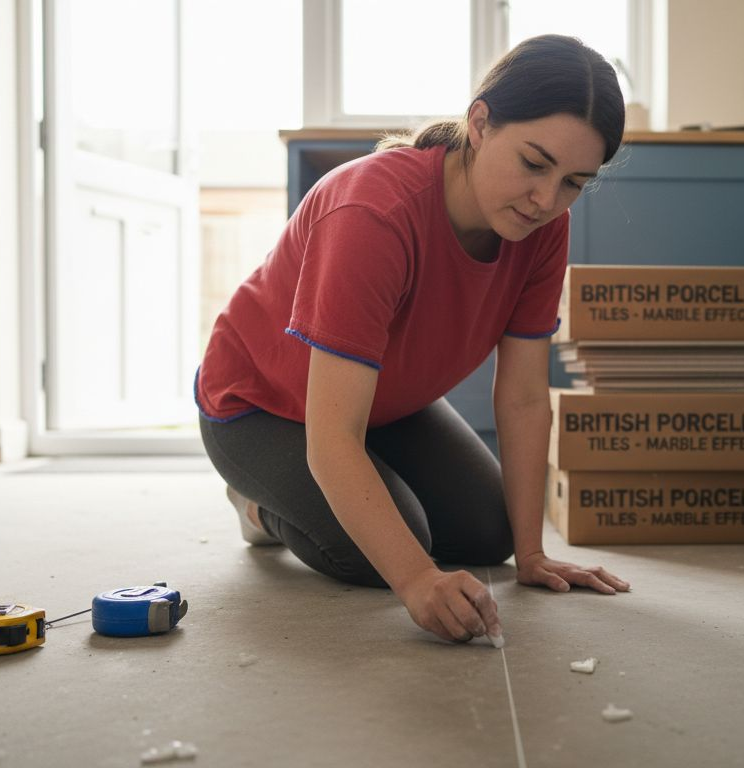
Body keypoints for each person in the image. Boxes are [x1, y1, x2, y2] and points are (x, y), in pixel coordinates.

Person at [197, 34, 631, 645]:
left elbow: (526, 397)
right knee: (378, 553)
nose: (546, 199)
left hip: (384, 403)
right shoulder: (372, 213)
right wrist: (415, 581)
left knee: (489, 533)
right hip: (259, 405)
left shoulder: (544, 227)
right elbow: (331, 440)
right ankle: (256, 504)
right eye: (534, 164)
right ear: (479, 123)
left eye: (573, 182)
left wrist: (532, 554)